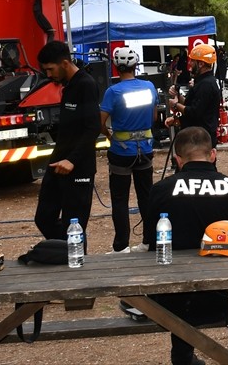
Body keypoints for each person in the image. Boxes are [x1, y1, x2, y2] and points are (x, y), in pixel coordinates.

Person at [144, 126, 228, 365]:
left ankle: (182, 356)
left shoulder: (160, 191)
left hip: (170, 302)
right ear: (212, 154)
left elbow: (152, 244)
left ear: (177, 159)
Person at [35, 40, 101, 245]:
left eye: (50, 69)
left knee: (75, 225)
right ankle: (63, 252)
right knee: (43, 218)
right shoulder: (68, 86)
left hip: (78, 167)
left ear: (64, 63)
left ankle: (76, 262)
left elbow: (92, 128)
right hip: (58, 162)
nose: (48, 75)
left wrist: (72, 160)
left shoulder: (86, 84)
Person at [100, 46, 158, 254]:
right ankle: (149, 241)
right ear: (136, 65)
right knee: (146, 197)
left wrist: (110, 135)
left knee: (120, 199)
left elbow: (102, 122)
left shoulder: (113, 92)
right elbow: (153, 118)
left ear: (116, 67)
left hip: (121, 152)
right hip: (145, 150)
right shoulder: (149, 87)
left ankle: (121, 246)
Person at [166, 43, 222, 147]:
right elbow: (189, 104)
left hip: (201, 141)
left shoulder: (206, 85)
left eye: (192, 61)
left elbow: (194, 112)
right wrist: (178, 95)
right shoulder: (202, 83)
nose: (189, 64)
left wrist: (175, 105)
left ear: (201, 64)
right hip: (197, 138)